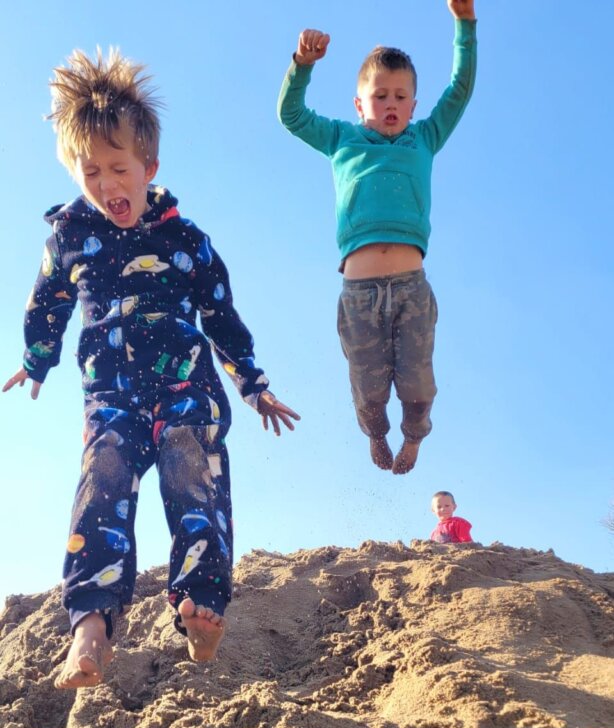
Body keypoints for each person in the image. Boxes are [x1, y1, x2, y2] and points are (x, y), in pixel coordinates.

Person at [3, 48, 299, 689]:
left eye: (119, 169)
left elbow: (221, 314)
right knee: (101, 481)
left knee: (190, 469)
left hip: (188, 385)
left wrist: (252, 383)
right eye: (91, 171)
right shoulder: (69, 238)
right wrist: (36, 358)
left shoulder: (186, 241)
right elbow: (48, 300)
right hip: (110, 395)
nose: (107, 183)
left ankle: (201, 607)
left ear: (149, 168)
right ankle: (91, 626)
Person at [278, 1, 476, 474]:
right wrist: (301, 66)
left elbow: (459, 91)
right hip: (359, 292)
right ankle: (375, 433)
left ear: (414, 104)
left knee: (417, 384)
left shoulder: (424, 138)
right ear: (359, 104)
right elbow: (292, 115)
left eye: (401, 96)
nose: (391, 104)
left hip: (411, 287)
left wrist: (465, 24)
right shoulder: (341, 139)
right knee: (368, 390)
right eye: (380, 95)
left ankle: (414, 436)